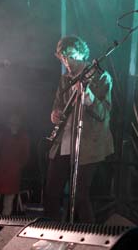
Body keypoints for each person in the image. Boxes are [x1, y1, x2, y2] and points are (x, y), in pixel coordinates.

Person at [43, 35, 114, 222]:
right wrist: (54, 115)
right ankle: (52, 237)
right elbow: (56, 106)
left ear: (82, 54)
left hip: (88, 145)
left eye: (71, 56)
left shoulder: (101, 77)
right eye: (63, 57)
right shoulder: (65, 79)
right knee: (51, 193)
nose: (68, 61)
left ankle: (87, 241)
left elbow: (104, 113)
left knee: (80, 197)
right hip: (63, 143)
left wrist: (88, 95)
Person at [0, 113, 30, 215]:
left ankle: (4, 228)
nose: (14, 123)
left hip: (13, 175)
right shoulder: (2, 135)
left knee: (8, 204)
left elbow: (26, 155)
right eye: (12, 120)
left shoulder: (24, 137)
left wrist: (18, 166)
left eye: (16, 121)